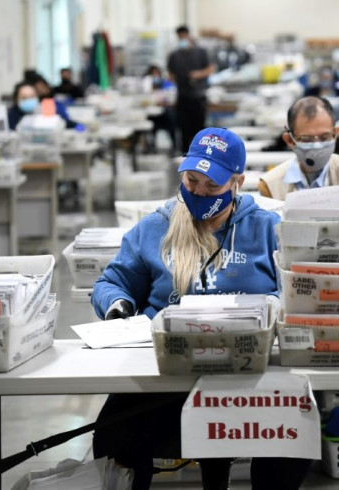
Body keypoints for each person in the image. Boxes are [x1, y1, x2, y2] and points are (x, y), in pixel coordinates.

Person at [91, 127, 312, 490]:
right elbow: (110, 283)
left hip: (249, 377)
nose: (199, 192)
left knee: (294, 434)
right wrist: (119, 309)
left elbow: (295, 287)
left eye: (213, 185)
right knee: (113, 435)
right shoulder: (156, 227)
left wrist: (276, 304)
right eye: (192, 180)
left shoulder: (267, 229)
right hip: (168, 374)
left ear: (237, 182)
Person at [257, 96, 339, 205]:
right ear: (290, 141)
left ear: (335, 134)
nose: (317, 145)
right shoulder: (270, 186)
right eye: (307, 139)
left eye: (324, 137)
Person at [167, 25, 215, 152]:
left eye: (184, 36)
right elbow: (170, 74)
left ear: (188, 35)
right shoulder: (174, 55)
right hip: (183, 97)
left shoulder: (201, 52)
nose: (182, 38)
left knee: (199, 130)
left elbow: (210, 68)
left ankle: (201, 154)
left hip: (198, 97)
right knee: (183, 130)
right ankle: (184, 156)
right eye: (180, 37)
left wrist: (198, 74)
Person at [145, 65, 177, 150]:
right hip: (152, 115)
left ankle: (174, 145)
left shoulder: (167, 84)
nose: (155, 75)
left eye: (157, 73)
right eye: (153, 73)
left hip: (165, 114)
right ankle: (151, 145)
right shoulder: (146, 85)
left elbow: (172, 99)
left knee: (170, 118)